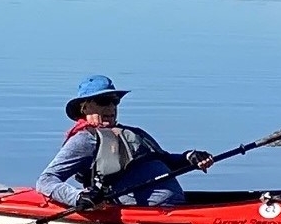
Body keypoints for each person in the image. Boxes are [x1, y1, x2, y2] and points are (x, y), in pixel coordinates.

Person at [36, 75, 215, 210]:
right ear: (85, 107)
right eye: (103, 101)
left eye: (115, 101)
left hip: (177, 208)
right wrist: (77, 197)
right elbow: (46, 180)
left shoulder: (134, 133)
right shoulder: (85, 139)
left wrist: (190, 158)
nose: (111, 107)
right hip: (138, 214)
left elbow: (166, 161)